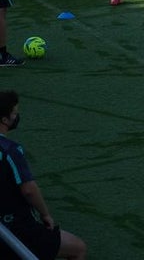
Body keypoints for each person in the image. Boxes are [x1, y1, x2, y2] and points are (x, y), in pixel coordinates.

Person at [0, 91, 88, 259]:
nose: (17, 116)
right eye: (14, 113)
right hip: (15, 226)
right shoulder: (10, 150)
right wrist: (45, 213)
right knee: (78, 248)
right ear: (5, 119)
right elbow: (29, 190)